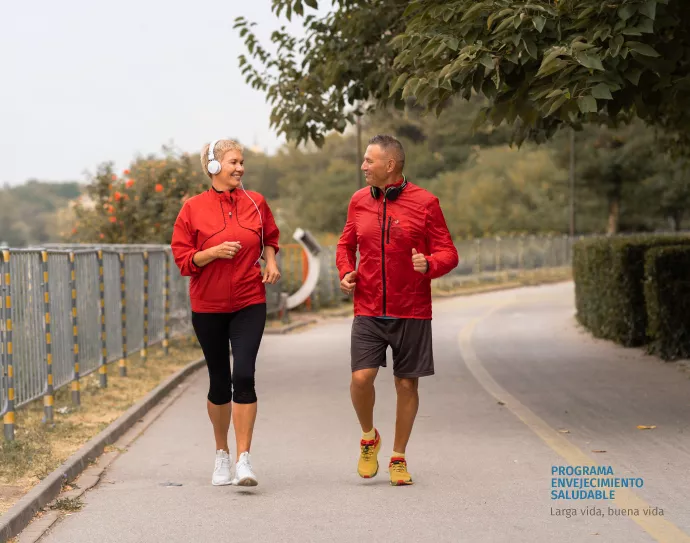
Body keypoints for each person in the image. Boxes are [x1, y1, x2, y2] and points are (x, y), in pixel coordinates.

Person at [336, 134, 459, 486]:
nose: (363, 166)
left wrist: (430, 264)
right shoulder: (359, 201)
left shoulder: (426, 203)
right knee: (361, 378)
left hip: (413, 310)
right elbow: (345, 244)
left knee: (406, 385)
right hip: (369, 307)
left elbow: (449, 252)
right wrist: (346, 271)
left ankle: (399, 457)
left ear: (389, 165)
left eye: (368, 161)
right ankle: (368, 436)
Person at [171, 139, 281, 487]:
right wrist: (213, 252)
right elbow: (184, 261)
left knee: (244, 376)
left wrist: (272, 261)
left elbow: (271, 237)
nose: (240, 169)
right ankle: (221, 455)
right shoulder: (192, 209)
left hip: (250, 301)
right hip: (208, 307)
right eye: (233, 162)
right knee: (220, 381)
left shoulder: (255, 202)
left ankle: (243, 460)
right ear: (214, 167)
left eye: (242, 162)